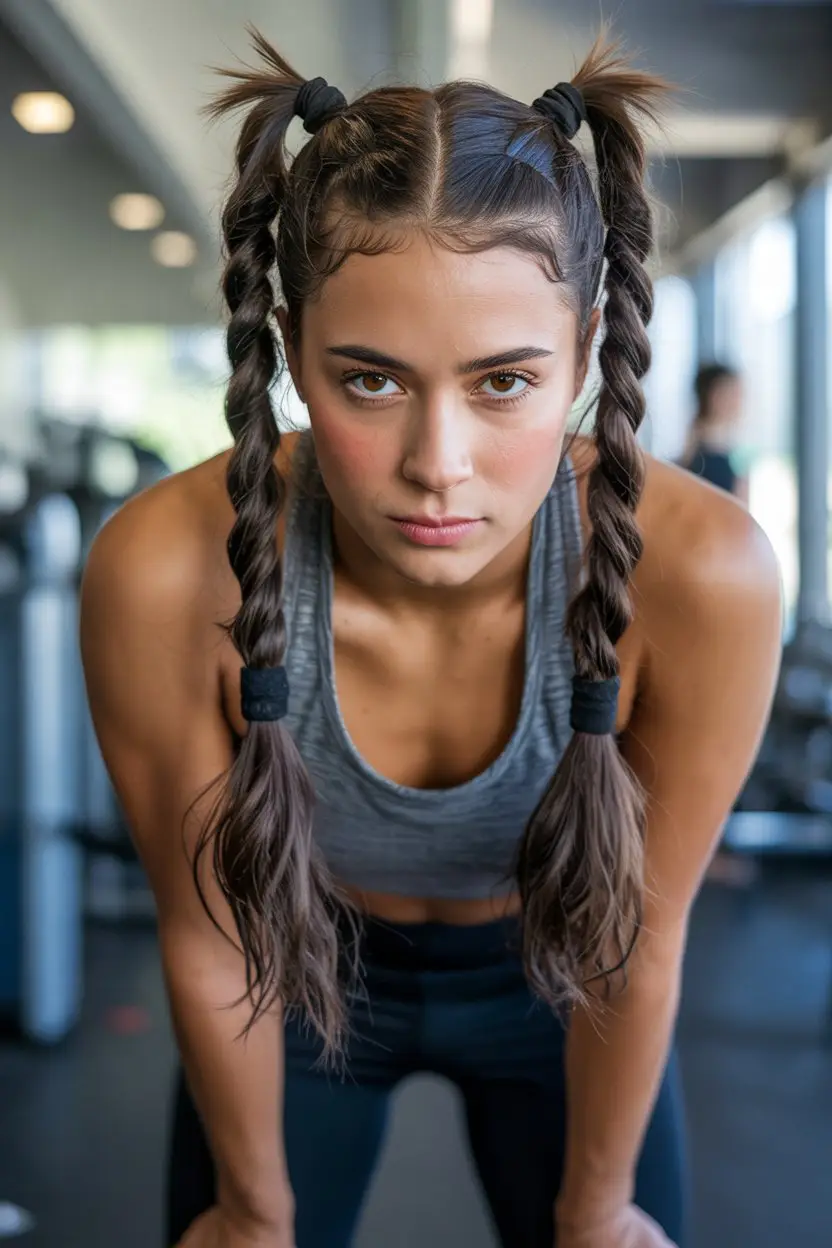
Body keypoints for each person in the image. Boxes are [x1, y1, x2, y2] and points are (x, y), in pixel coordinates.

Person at [79, 31, 783, 1248]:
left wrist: (599, 1209)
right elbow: (210, 939)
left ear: (583, 349)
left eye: (503, 382)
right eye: (370, 381)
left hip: (566, 979)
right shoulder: (162, 567)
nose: (436, 467)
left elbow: (636, 936)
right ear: (293, 347)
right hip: (288, 974)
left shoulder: (703, 570)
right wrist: (250, 1213)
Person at [681, 363, 748, 503]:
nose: (739, 402)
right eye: (734, 394)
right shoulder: (702, 455)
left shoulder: (726, 449)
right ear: (714, 396)